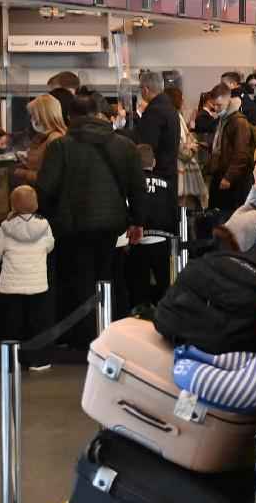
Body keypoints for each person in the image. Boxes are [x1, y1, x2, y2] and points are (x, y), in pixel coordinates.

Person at [37, 89, 145, 348]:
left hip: (72, 227)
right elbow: (138, 188)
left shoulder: (60, 146)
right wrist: (137, 221)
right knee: (111, 276)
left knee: (78, 281)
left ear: (71, 116)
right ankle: (115, 332)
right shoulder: (125, 145)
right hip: (112, 225)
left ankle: (83, 337)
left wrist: (51, 218)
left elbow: (46, 188)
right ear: (98, 114)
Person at [0, 185, 55, 370]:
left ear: (12, 205)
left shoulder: (6, 228)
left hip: (10, 287)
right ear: (35, 204)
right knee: (37, 324)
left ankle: (12, 360)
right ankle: (38, 360)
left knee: (12, 324)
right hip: (37, 285)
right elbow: (50, 245)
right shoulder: (44, 225)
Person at [126, 144, 177, 312]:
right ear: (153, 162)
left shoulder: (130, 184)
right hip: (163, 240)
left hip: (138, 241)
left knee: (139, 290)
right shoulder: (167, 184)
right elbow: (173, 212)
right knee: (166, 287)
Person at [207, 83, 256, 220]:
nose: (216, 109)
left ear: (228, 100)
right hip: (221, 173)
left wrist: (229, 177)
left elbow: (241, 153)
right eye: (214, 105)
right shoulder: (224, 119)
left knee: (229, 217)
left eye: (219, 105)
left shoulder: (238, 122)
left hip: (234, 180)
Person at [135, 71, 180, 202]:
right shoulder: (170, 108)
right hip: (170, 172)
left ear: (146, 89)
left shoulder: (154, 111)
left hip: (158, 175)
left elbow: (146, 147)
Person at [15, 95, 66, 186]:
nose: (32, 120)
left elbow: (50, 178)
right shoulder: (42, 137)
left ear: (43, 115)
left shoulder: (55, 140)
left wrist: (22, 173)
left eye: (34, 115)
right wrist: (26, 161)